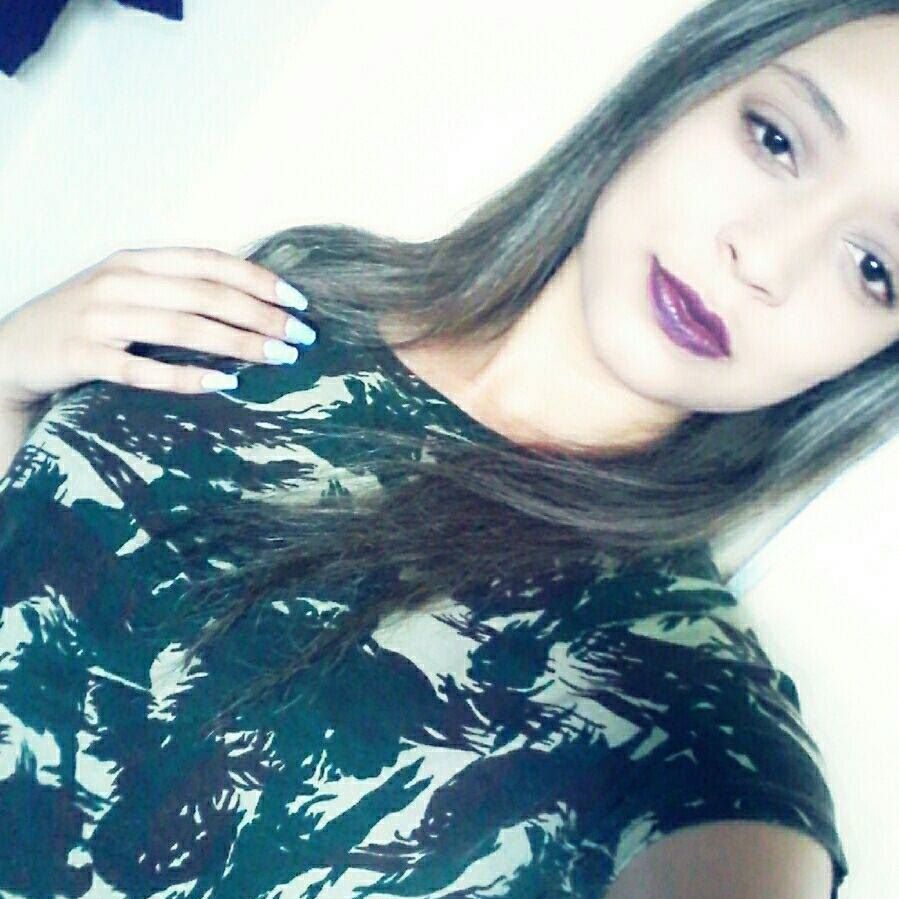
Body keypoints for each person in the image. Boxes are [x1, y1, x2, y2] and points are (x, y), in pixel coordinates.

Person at [1, 0, 897, 895]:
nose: (764, 259)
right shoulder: (305, 289)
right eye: (776, 139)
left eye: (873, 269)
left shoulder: (683, 713)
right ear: (684, 87)